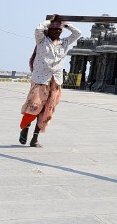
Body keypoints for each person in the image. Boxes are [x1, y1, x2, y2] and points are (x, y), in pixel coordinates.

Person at [18, 16, 81, 148]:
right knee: (34, 106)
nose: (58, 31)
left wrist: (65, 24)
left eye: (59, 30)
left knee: (46, 111)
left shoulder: (64, 43)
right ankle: (25, 127)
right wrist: (50, 22)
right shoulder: (42, 41)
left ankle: (35, 138)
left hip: (55, 81)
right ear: (49, 30)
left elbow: (77, 34)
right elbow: (38, 29)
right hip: (41, 80)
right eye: (55, 29)